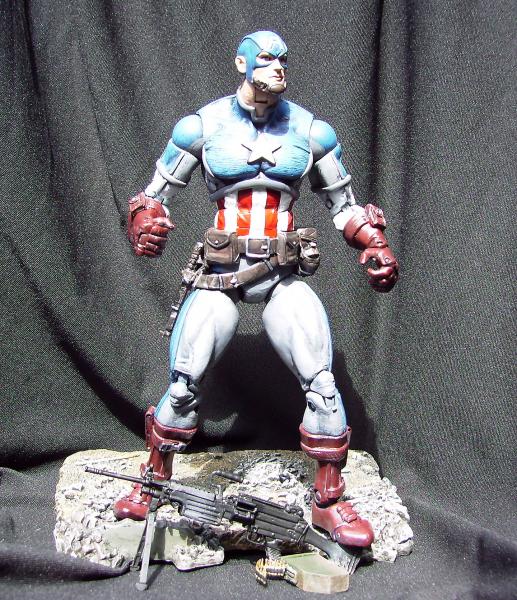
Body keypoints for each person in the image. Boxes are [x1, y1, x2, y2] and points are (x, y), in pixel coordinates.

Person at [115, 31, 399, 549]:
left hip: (281, 273)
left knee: (323, 384)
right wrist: (145, 223)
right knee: (183, 384)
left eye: (282, 59)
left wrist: (374, 245)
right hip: (221, 274)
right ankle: (154, 480)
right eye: (266, 59)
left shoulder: (310, 131)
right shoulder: (202, 127)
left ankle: (328, 502)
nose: (277, 67)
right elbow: (153, 196)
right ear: (241, 63)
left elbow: (345, 207)